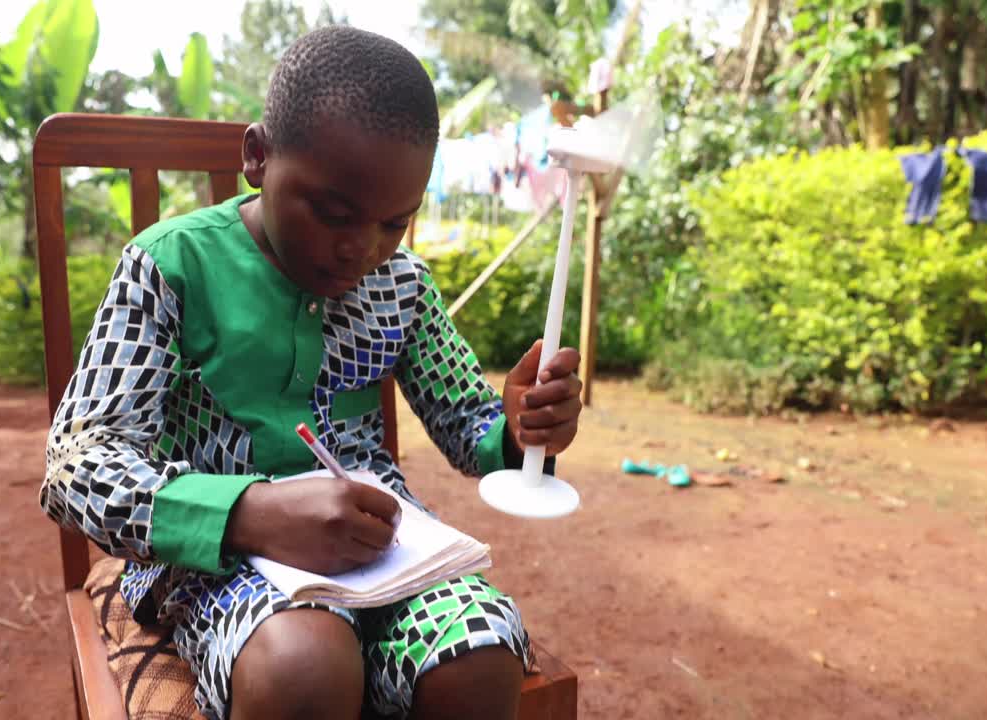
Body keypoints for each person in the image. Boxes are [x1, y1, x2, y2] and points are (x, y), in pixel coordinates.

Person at [40, 25, 583, 720]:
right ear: (258, 156)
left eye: (395, 223)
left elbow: (468, 427)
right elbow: (76, 468)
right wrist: (250, 513)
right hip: (215, 560)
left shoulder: (401, 284)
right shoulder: (171, 267)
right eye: (332, 213)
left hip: (385, 554)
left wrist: (519, 432)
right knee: (306, 664)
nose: (361, 248)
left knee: (479, 654)